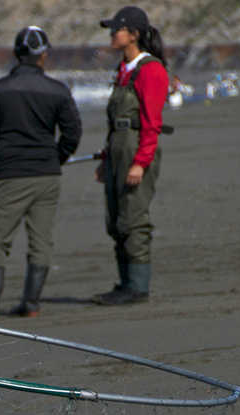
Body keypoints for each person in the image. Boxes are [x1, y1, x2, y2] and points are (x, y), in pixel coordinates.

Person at [0, 26, 82, 319]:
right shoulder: (58, 90)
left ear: (17, 55)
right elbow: (72, 132)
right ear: (43, 56)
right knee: (41, 241)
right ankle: (31, 303)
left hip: (10, 172)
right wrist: (57, 157)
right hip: (46, 174)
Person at [93, 6, 169, 305]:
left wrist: (140, 162)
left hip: (136, 146)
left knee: (133, 218)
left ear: (134, 34)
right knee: (115, 218)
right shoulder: (123, 70)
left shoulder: (151, 69)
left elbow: (152, 123)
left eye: (117, 30)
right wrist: (105, 158)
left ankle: (137, 287)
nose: (112, 35)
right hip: (117, 147)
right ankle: (124, 283)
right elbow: (114, 121)